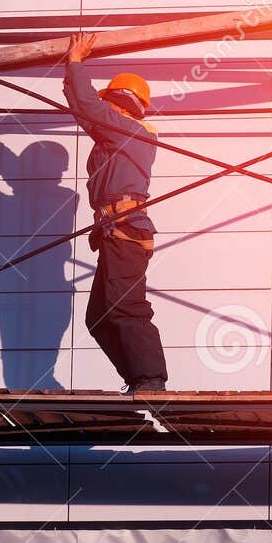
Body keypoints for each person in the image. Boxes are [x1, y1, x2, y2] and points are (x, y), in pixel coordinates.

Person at [63, 33, 168, 393]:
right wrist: (72, 75)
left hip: (125, 229)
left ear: (121, 102)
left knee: (126, 307)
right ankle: (139, 378)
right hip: (115, 232)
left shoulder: (129, 131)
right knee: (100, 318)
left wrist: (75, 62)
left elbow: (89, 108)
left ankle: (150, 381)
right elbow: (85, 109)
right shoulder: (117, 135)